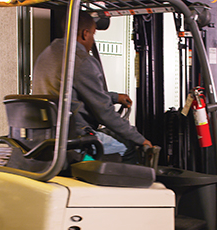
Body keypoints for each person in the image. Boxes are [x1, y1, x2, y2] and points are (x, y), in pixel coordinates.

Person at [33, 11, 152, 163]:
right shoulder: (80, 61)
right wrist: (140, 139)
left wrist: (115, 97)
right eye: (93, 35)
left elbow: (73, 93)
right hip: (74, 136)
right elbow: (105, 113)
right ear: (85, 34)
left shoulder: (47, 53)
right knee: (128, 147)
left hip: (47, 134)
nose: (92, 40)